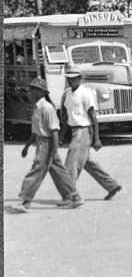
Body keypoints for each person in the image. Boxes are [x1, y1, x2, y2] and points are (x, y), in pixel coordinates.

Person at [13, 76, 82, 211]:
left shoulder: (47, 108)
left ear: (41, 92)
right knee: (59, 172)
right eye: (30, 90)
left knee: (37, 170)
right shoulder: (37, 107)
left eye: (33, 90)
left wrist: (54, 150)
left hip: (48, 143)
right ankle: (73, 197)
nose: (30, 93)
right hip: (41, 142)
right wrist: (27, 146)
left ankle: (25, 201)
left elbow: (54, 131)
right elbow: (35, 131)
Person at [60, 68, 123, 200]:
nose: (71, 81)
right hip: (74, 131)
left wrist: (97, 138)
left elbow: (93, 117)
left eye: (74, 78)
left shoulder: (86, 93)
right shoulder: (67, 94)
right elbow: (66, 117)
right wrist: (62, 135)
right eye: (69, 78)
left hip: (83, 130)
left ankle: (71, 196)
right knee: (86, 162)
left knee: (71, 164)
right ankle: (112, 185)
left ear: (79, 78)